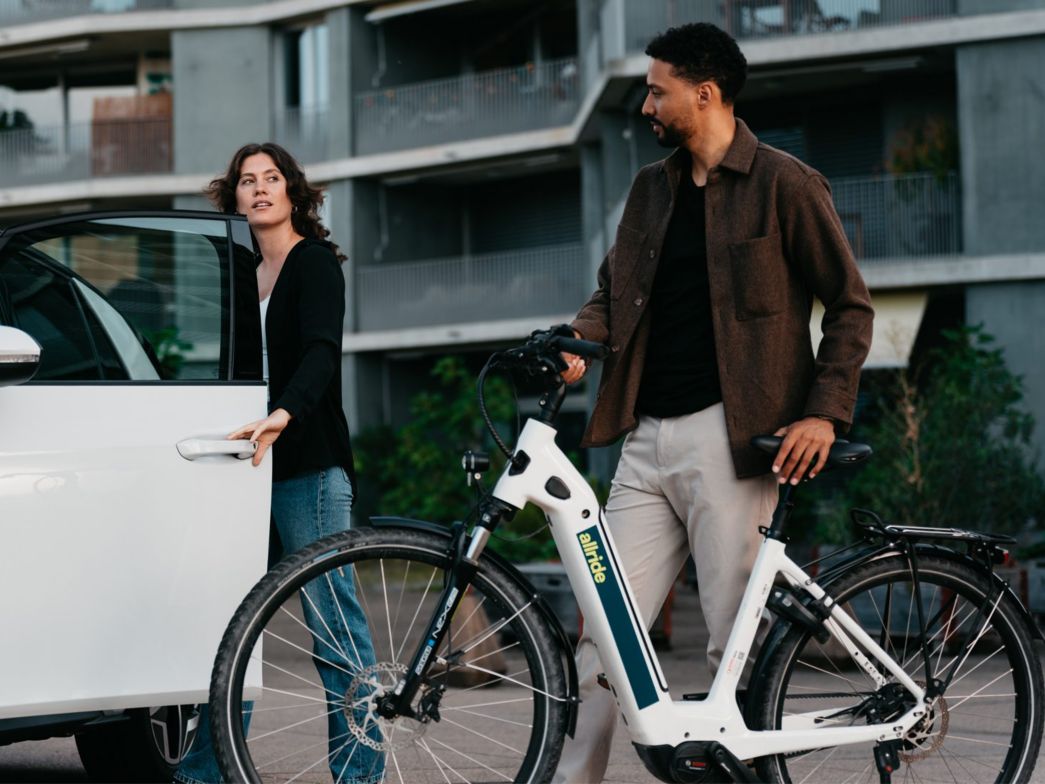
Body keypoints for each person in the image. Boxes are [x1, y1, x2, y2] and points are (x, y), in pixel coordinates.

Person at [553, 23, 873, 784]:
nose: (644, 105)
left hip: (732, 442)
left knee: (732, 641)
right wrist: (572, 340)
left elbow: (851, 306)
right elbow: (613, 296)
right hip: (644, 438)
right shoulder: (649, 189)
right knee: (602, 634)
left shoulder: (784, 184)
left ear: (704, 92)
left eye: (656, 90)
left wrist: (823, 412)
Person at [174, 142, 383, 784]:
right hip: (246, 468)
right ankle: (206, 772)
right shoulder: (241, 272)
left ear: (293, 191)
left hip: (308, 468)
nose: (260, 188)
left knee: (333, 628)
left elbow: (321, 352)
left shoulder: (314, 262)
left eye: (271, 178)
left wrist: (282, 414)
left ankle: (359, 774)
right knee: (232, 621)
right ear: (233, 197)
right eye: (247, 180)